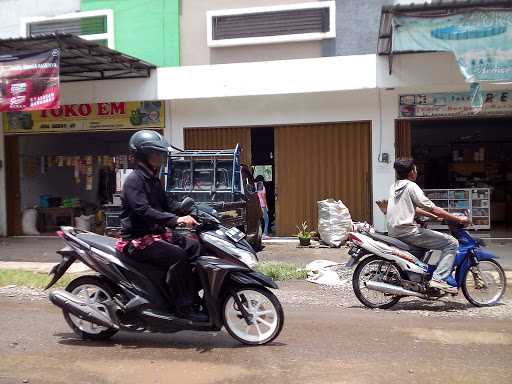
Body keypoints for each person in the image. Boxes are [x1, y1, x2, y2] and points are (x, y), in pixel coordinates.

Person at [117, 130, 207, 321]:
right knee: (178, 256)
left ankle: (185, 293)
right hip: (138, 240)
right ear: (143, 155)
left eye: (161, 153)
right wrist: (176, 220)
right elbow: (143, 210)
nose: (160, 157)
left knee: (195, 246)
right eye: (155, 153)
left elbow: (168, 205)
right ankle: (182, 307)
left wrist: (189, 211)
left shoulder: (153, 179)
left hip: (157, 234)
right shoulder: (134, 180)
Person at [386, 158, 469, 294]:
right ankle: (439, 279)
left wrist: (434, 216)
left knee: (428, 240)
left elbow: (413, 208)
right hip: (408, 231)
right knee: (451, 243)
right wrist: (458, 218)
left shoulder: (395, 186)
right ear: (411, 172)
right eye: (416, 168)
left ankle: (420, 278)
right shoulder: (410, 186)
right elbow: (432, 207)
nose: (417, 171)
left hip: (395, 230)